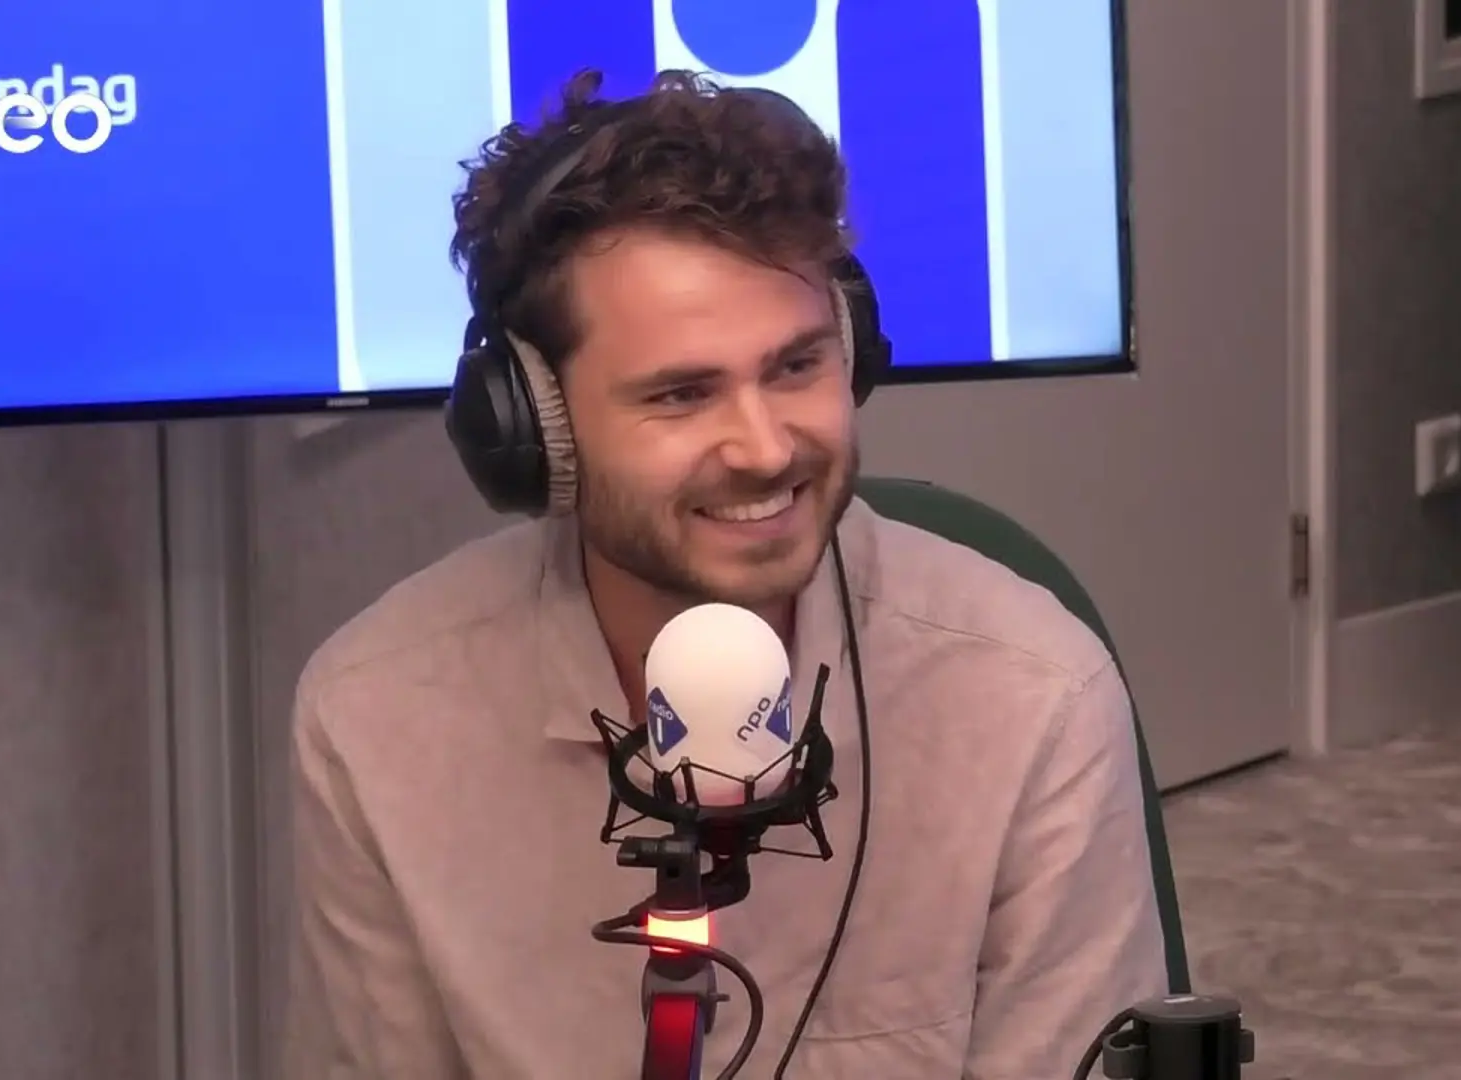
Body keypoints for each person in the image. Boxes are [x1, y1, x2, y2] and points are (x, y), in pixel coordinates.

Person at [283, 69, 1169, 1079]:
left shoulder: (1032, 697)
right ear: (538, 428)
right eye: (680, 394)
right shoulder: (378, 717)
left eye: (795, 367)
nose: (763, 448)